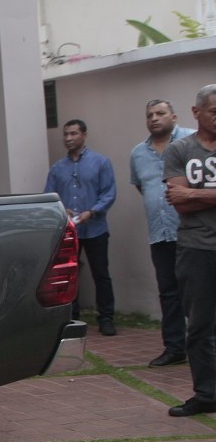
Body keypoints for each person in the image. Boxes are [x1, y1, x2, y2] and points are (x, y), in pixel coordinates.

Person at [163, 84, 216, 417]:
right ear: (197, 112)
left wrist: (195, 194)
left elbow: (186, 196)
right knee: (199, 325)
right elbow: (178, 203)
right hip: (196, 249)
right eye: (214, 111)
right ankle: (207, 394)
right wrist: (191, 197)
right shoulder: (179, 150)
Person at [129, 99, 194, 367]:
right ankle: (175, 348)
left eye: (160, 113)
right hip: (160, 233)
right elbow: (142, 188)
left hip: (192, 231)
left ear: (174, 116)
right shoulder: (138, 153)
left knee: (200, 292)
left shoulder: (191, 141)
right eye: (149, 115)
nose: (154, 118)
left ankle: (205, 346)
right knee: (168, 293)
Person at [43, 119, 118, 336]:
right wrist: (62, 210)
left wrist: (92, 211)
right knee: (68, 275)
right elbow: (50, 196)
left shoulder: (101, 163)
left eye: (73, 133)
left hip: (95, 228)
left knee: (101, 274)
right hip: (69, 231)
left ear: (84, 135)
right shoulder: (57, 168)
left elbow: (109, 193)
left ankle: (106, 318)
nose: (68, 138)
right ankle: (71, 317)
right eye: (65, 134)